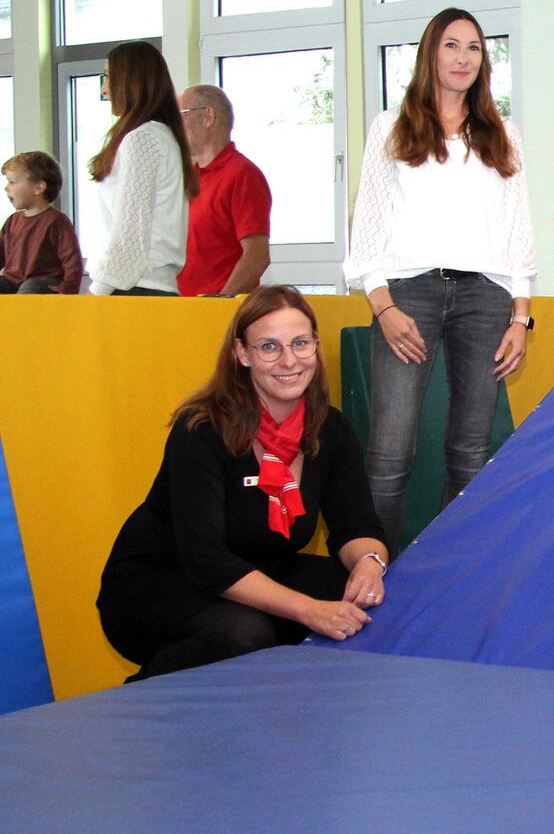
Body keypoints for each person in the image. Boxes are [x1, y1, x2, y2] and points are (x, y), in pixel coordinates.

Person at [97, 286, 390, 681]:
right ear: (242, 354)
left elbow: (357, 527)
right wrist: (308, 608)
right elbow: (207, 562)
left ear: (315, 347)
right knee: (244, 633)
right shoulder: (201, 430)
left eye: (300, 343)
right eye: (270, 346)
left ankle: (292, 710)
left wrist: (369, 565)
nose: (289, 360)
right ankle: (139, 707)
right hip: (161, 583)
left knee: (376, 603)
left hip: (261, 571)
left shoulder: (331, 429)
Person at [345, 7, 535, 548]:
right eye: (452, 45)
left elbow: (518, 229)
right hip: (409, 294)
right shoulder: (392, 126)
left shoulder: (503, 133)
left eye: (474, 48)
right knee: (389, 449)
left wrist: (521, 317)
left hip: (486, 296)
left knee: (472, 450)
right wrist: (383, 305)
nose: (463, 58)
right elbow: (368, 228)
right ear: (431, 53)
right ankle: (373, 573)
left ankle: (451, 575)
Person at [87, 40, 197, 296]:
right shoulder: (160, 135)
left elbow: (131, 232)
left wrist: (96, 295)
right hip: (144, 286)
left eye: (107, 77)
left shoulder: (143, 138)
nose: (104, 89)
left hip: (133, 288)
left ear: (129, 80)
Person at [176, 84, 272, 296]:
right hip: (182, 310)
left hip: (217, 315)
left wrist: (220, 303)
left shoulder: (242, 174)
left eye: (181, 115)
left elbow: (257, 256)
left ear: (208, 116)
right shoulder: (188, 178)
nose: (176, 125)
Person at [1, 151, 82, 294]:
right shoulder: (12, 221)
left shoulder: (57, 221)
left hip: (43, 282)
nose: (6, 187)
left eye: (12, 182)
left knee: (31, 288)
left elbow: (72, 260)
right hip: (12, 281)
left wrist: (69, 288)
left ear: (39, 187)